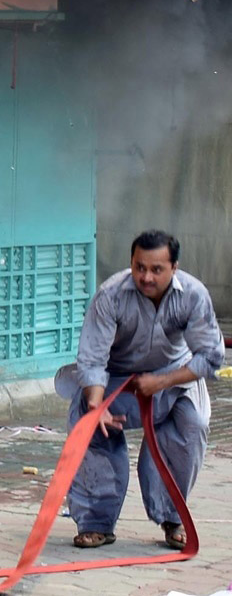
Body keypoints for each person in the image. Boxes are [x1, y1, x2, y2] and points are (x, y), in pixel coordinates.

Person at [58, 230, 225, 550]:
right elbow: (92, 359)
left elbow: (211, 357)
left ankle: (172, 515)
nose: (146, 277)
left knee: (194, 423)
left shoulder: (193, 294)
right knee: (89, 424)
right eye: (139, 267)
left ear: (174, 267)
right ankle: (96, 522)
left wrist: (162, 381)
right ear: (131, 264)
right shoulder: (111, 295)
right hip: (117, 377)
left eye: (156, 269)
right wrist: (96, 405)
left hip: (176, 375)